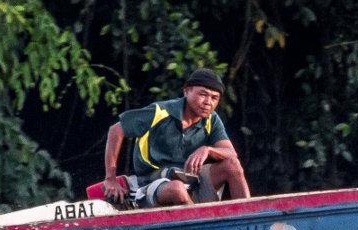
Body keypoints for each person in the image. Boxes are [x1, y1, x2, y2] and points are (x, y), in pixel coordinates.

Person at [102, 68, 251, 207]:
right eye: (203, 94)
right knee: (177, 189)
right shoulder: (160, 111)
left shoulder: (212, 120)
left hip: (191, 181)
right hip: (152, 182)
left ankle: (249, 217)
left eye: (214, 98)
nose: (208, 102)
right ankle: (199, 223)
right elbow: (116, 130)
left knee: (232, 165)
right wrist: (110, 179)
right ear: (186, 91)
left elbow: (231, 153)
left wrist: (208, 150)